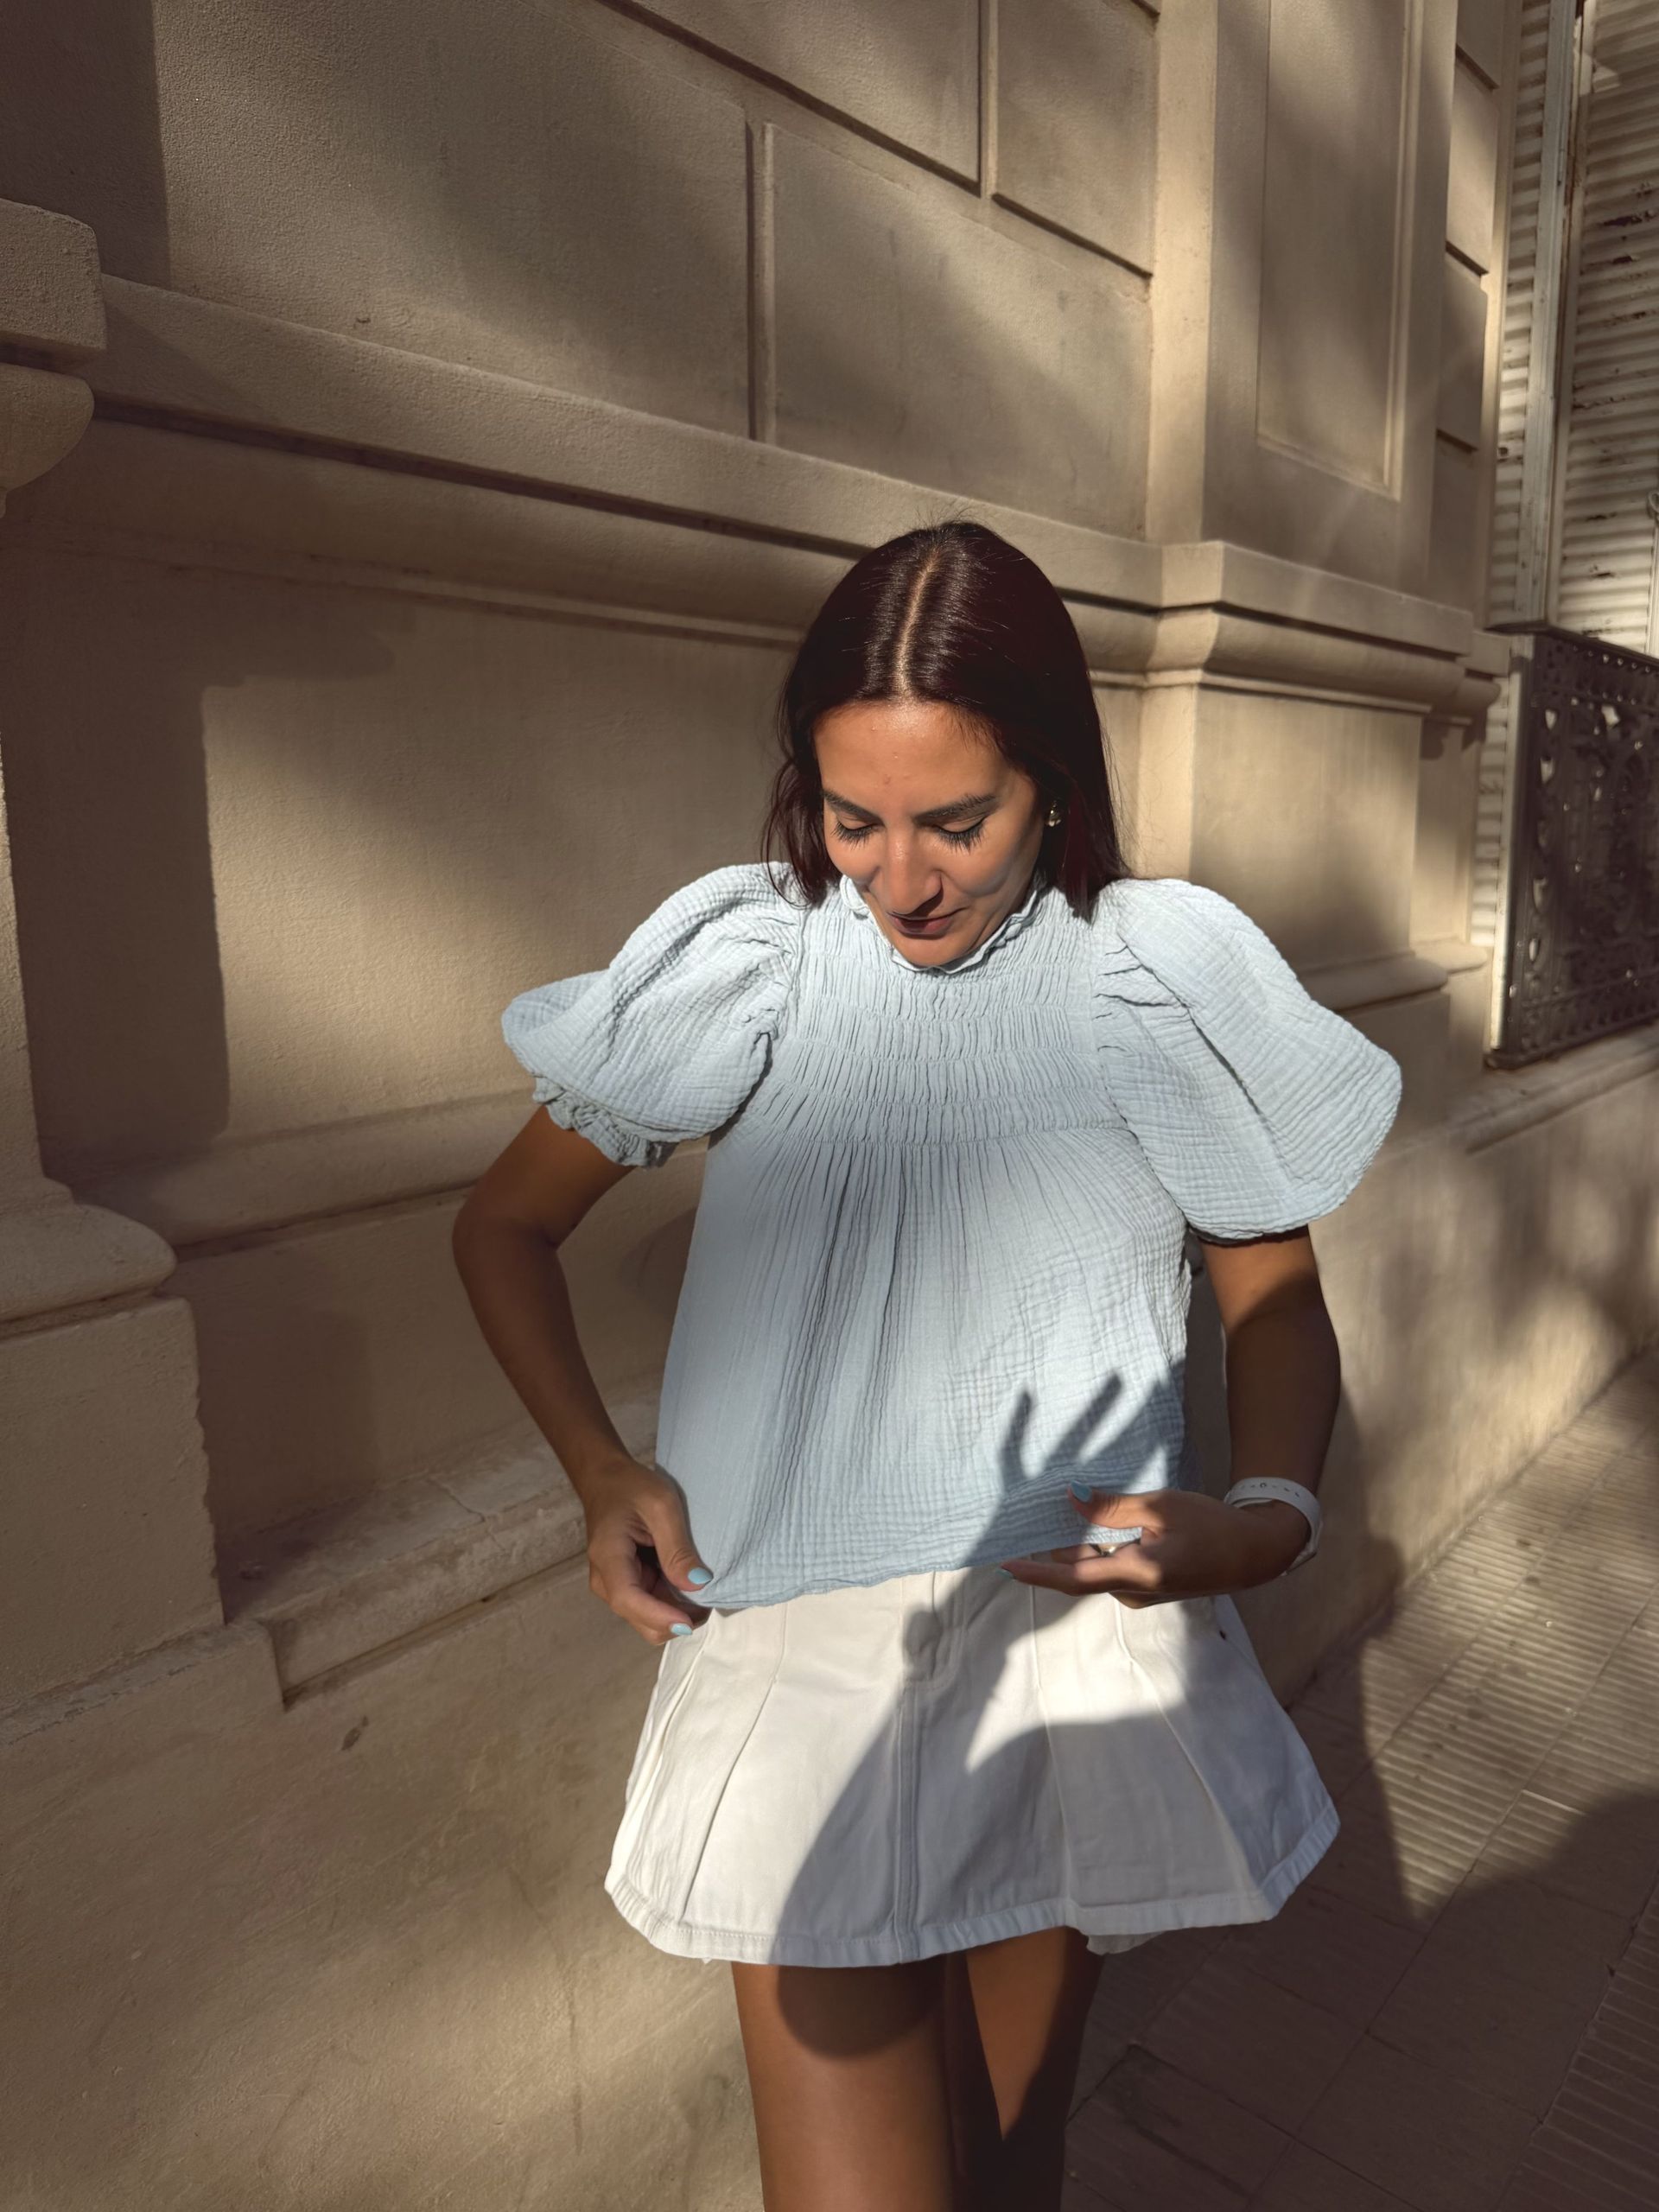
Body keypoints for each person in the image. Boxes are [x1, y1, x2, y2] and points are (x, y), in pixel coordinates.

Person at [452, 520, 1402, 2212]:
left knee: (1014, 2169)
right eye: (853, 815)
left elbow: (1274, 1300)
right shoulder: (749, 957)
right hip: (800, 1671)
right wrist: (603, 1470)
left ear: (1051, 775)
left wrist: (1262, 1519)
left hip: (1067, 1651)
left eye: (957, 819)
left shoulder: (1155, 977)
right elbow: (502, 1229)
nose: (904, 876)